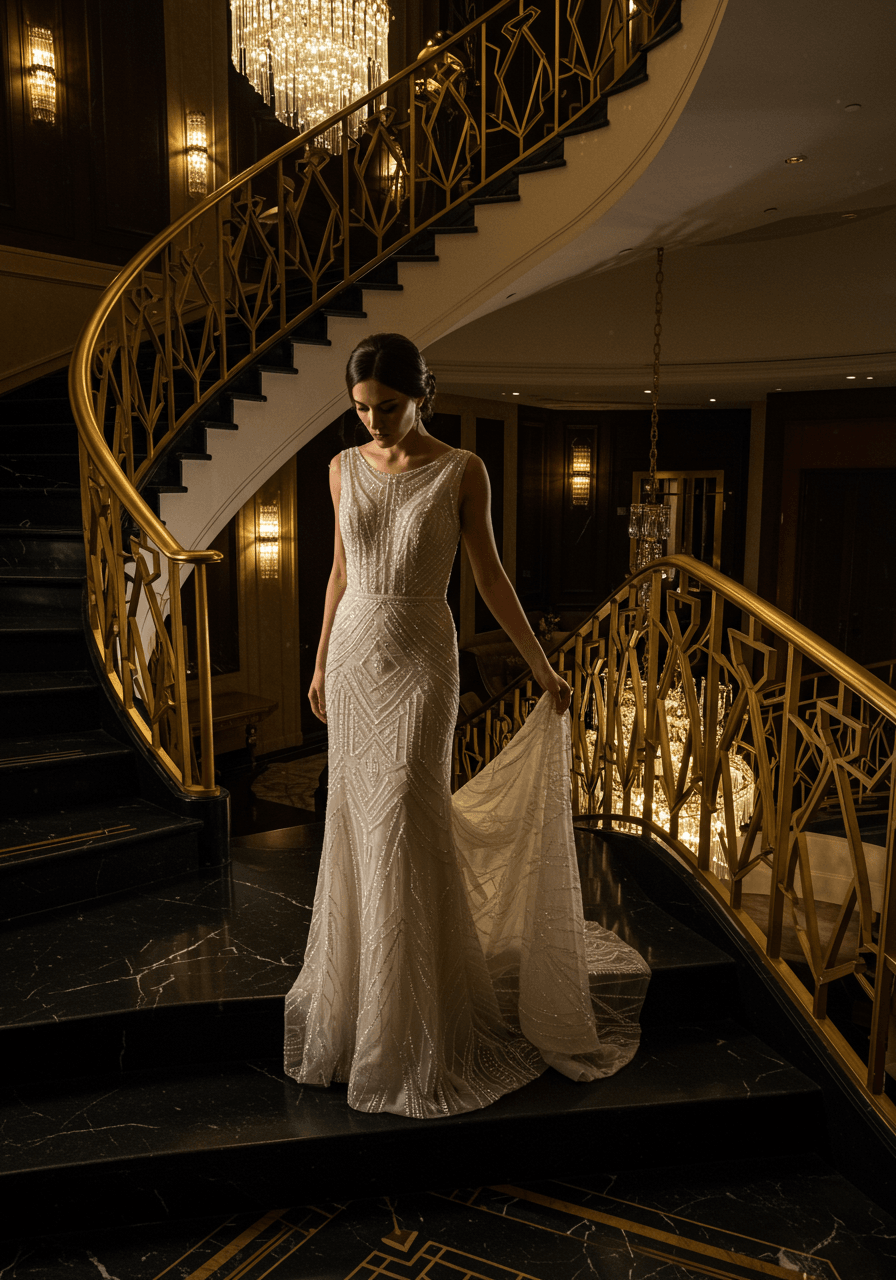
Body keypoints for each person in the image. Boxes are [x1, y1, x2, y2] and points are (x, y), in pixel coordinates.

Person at [284, 333, 649, 1118]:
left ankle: (420, 1015)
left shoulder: (461, 470)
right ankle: (358, 1009)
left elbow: (487, 574)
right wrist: (317, 663)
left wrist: (542, 666)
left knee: (409, 819)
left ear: (422, 397)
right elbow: (341, 572)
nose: (374, 422)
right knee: (357, 824)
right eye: (360, 409)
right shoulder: (340, 468)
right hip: (352, 657)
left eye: (387, 407)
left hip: (421, 659)